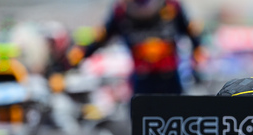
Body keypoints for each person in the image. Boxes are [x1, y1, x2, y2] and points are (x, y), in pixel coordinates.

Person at [68, 0, 204, 94]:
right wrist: (80, 54)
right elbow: (101, 37)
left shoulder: (171, 7)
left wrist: (198, 55)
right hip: (141, 78)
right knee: (140, 118)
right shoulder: (121, 11)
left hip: (170, 77)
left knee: (174, 114)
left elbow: (192, 32)